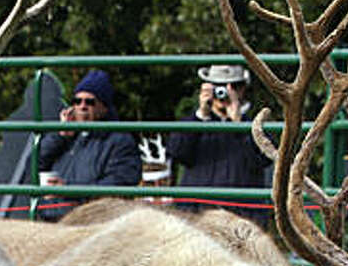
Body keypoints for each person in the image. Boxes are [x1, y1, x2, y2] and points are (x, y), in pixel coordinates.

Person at [165, 63, 270, 225]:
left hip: (242, 218)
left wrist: (239, 125)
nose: (225, 92)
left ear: (243, 89)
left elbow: (261, 160)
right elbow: (177, 152)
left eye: (233, 86)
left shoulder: (256, 126)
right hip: (195, 216)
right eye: (218, 86)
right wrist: (201, 116)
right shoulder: (192, 123)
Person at [36, 69, 141, 220]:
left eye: (90, 102)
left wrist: (69, 190)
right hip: (50, 220)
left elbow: (118, 187)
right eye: (77, 101)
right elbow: (35, 164)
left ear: (104, 107)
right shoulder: (67, 137)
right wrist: (61, 135)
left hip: (89, 223)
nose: (82, 106)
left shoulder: (119, 141)